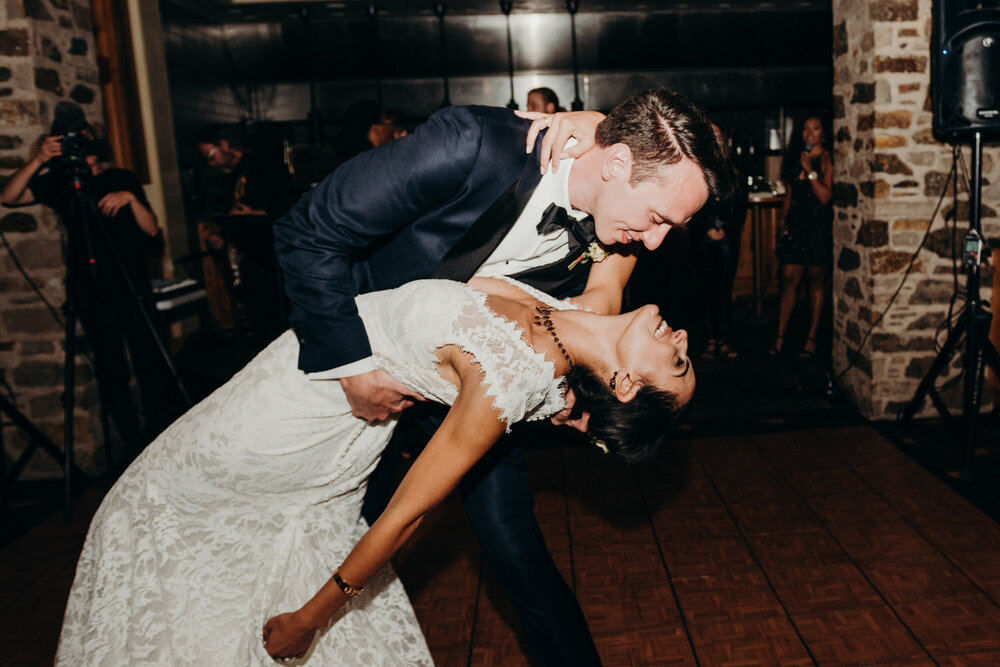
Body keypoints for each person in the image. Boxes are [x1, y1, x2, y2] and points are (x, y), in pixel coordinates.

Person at [273, 88, 727, 666]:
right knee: (314, 517)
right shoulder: (472, 146)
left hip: (483, 390)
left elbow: (599, 302)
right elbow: (307, 233)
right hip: (355, 365)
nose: (658, 239)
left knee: (514, 552)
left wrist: (582, 400)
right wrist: (355, 366)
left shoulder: (622, 225)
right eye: (659, 219)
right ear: (617, 165)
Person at [56, 274, 695, 665]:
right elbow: (621, 242)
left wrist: (311, 617)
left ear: (625, 382)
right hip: (298, 384)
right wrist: (576, 129)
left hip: (298, 421)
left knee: (153, 508)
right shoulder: (559, 325)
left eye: (678, 365)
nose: (682, 341)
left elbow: (409, 511)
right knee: (184, 531)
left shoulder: (510, 376)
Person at [1, 124, 170, 449]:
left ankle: (162, 439)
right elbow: (8, 197)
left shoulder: (121, 177)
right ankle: (134, 446)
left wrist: (131, 199)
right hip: (91, 290)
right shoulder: (59, 183)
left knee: (151, 365)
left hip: (132, 284)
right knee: (111, 372)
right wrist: (38, 159)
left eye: (83, 136)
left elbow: (151, 231)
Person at [195, 124, 297, 348]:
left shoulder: (267, 166)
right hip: (249, 257)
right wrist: (223, 235)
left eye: (212, 155)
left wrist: (256, 214)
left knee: (280, 322)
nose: (211, 163)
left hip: (276, 257)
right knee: (259, 322)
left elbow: (290, 208)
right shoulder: (230, 178)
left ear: (225, 144)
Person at [771, 116, 833, 358]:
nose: (809, 133)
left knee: (816, 282)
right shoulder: (796, 158)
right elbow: (789, 195)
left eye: (815, 128)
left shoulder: (827, 159)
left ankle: (812, 338)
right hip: (795, 229)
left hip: (817, 228)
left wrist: (810, 171)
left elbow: (825, 198)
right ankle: (780, 336)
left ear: (823, 134)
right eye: (805, 128)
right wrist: (782, 224)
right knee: (788, 281)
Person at [690, 123, 748, 358]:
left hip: (728, 236)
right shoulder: (695, 166)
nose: (714, 137)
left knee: (724, 289)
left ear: (724, 139)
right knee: (706, 288)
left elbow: (742, 204)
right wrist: (706, 229)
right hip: (702, 235)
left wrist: (728, 229)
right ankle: (710, 340)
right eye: (710, 133)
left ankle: (724, 340)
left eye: (718, 133)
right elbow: (690, 205)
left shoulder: (734, 167)